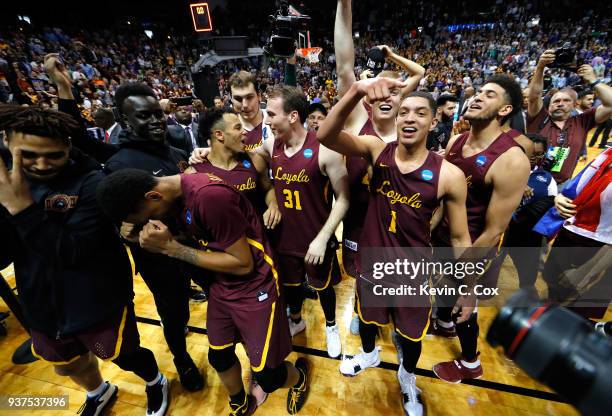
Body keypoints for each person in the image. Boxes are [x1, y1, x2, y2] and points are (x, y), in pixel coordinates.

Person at [43, 54, 205, 392]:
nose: (157, 121)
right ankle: (182, 358)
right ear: (124, 120)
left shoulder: (174, 147)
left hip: (195, 245)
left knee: (217, 294)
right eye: (144, 117)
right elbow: (79, 136)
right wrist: (63, 89)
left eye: (158, 113)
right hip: (159, 260)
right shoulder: (119, 160)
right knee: (174, 315)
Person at [96, 169, 310, 416]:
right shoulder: (178, 194)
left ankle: (300, 377)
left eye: (149, 215)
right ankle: (240, 404)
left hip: (255, 286)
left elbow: (243, 264)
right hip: (221, 284)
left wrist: (172, 248)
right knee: (219, 357)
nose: (150, 221)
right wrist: (141, 238)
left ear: (154, 196)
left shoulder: (209, 197)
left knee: (269, 376)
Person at [317, 78, 472, 416]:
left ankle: (407, 378)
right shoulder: (376, 149)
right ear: (396, 119)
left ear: (434, 122)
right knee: (366, 319)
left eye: (419, 113)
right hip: (372, 263)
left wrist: (469, 290)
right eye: (403, 112)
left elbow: (460, 238)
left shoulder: (449, 175)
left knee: (411, 336)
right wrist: (356, 91)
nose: (409, 118)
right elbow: (325, 135)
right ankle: (370, 354)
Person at [0, 105, 169, 416]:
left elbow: (73, 253)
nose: (40, 164)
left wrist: (22, 209)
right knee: (67, 365)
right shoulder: (6, 184)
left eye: (52, 154)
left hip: (96, 301)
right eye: (28, 154)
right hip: (40, 304)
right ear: (7, 144)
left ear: (67, 146)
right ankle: (98, 391)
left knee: (125, 356)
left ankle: (156, 380)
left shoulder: (92, 183)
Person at [430, 74, 531, 383]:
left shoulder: (512, 159)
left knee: (465, 304)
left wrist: (469, 283)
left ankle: (471, 362)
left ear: (505, 110)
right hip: (444, 238)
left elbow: (493, 231)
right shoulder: (457, 140)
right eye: (477, 92)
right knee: (445, 290)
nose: (476, 97)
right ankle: (444, 323)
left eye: (489, 95)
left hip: (473, 247)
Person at [334, 0, 424, 333]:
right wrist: (345, 6)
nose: (385, 95)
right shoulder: (360, 119)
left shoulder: (410, 130)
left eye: (393, 90)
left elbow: (418, 74)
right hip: (360, 221)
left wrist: (390, 58)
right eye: (378, 89)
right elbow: (345, 65)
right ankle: (362, 308)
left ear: (403, 98)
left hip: (400, 226)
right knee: (360, 273)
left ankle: (389, 314)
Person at [252, 85, 350, 358]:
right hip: (284, 239)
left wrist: (322, 238)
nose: (267, 120)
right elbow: (249, 159)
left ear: (293, 116)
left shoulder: (325, 149)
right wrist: (203, 153)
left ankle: (331, 326)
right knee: (291, 286)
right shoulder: (272, 145)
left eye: (271, 114)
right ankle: (296, 320)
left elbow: (343, 199)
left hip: (316, 239)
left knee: (323, 287)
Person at [542, 147, 611, 320]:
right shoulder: (607, 154)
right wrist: (559, 197)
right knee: (552, 296)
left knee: (574, 316)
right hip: (571, 234)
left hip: (599, 250)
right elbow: (579, 187)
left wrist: (590, 270)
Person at [527, 51, 612, 188]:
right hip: (530, 183)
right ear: (548, 106)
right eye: (556, 101)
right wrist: (540, 67)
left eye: (566, 101)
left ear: (574, 105)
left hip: (563, 186)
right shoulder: (539, 118)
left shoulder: (582, 121)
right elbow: (534, 96)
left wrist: (594, 81)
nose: (560, 103)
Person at [188, 107, 281, 228]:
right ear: (219, 135)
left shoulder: (254, 160)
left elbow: (268, 189)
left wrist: (273, 205)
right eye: (238, 128)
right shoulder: (194, 173)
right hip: (227, 244)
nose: (245, 131)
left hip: (261, 239)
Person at [504, 134, 557, 288]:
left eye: (538, 154)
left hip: (523, 236)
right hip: (495, 232)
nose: (533, 157)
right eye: (529, 152)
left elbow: (549, 213)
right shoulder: (502, 169)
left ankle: (526, 290)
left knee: (526, 274)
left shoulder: (547, 180)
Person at [229, 71, 274, 151]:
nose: (245, 105)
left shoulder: (275, 122)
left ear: (259, 96)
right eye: (238, 99)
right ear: (232, 100)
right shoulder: (227, 131)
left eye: (249, 97)